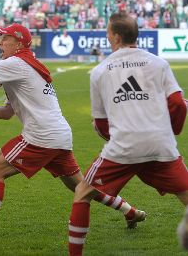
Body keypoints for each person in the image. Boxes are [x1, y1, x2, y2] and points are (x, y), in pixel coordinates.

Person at [0, 23, 145, 245]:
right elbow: (6, 113)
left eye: (5, 39)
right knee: (80, 187)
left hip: (42, 135)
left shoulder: (16, 63)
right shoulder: (25, 65)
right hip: (59, 135)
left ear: (19, 43)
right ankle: (129, 210)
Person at [67, 13, 188, 256]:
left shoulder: (100, 71)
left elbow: (100, 123)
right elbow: (179, 104)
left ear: (116, 36)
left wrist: (113, 138)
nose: (106, 35)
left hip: (122, 148)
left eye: (108, 32)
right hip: (160, 145)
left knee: (82, 193)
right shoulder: (158, 63)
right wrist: (170, 131)